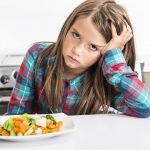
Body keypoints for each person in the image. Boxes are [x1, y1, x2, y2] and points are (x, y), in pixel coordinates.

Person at [6, 0, 150, 117]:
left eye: (93, 46)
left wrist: (115, 61)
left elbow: (144, 107)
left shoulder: (106, 77)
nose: (77, 50)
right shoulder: (37, 56)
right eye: (76, 35)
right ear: (67, 28)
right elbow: (16, 114)